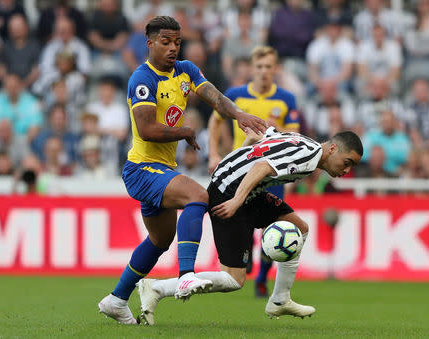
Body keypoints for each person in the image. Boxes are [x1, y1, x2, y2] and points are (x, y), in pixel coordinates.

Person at [97, 16, 267, 325]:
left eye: (177, 42)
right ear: (149, 43)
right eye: (166, 42)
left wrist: (239, 114)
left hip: (161, 170)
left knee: (161, 240)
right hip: (141, 169)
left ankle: (116, 300)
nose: (173, 48)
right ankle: (186, 274)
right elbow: (146, 128)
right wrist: (185, 132)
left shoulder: (186, 71)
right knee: (198, 196)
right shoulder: (142, 79)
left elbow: (214, 96)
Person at [137, 128, 363, 325]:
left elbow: (269, 137)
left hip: (247, 192)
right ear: (333, 149)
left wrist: (248, 141)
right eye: (347, 163)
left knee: (300, 228)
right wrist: (236, 201)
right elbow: (262, 167)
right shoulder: (307, 156)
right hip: (229, 193)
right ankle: (156, 289)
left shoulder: (307, 144)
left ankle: (280, 299)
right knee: (234, 280)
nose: (346, 171)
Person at [208, 45, 300, 298]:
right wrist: (214, 154)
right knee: (244, 220)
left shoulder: (286, 99)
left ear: (276, 69)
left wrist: (277, 128)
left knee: (274, 226)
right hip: (243, 170)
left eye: (268, 67)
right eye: (259, 67)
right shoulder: (236, 95)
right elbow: (215, 121)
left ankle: (262, 278)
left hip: (274, 171)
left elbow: (294, 137)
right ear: (251, 69)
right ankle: (245, 263)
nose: (263, 72)